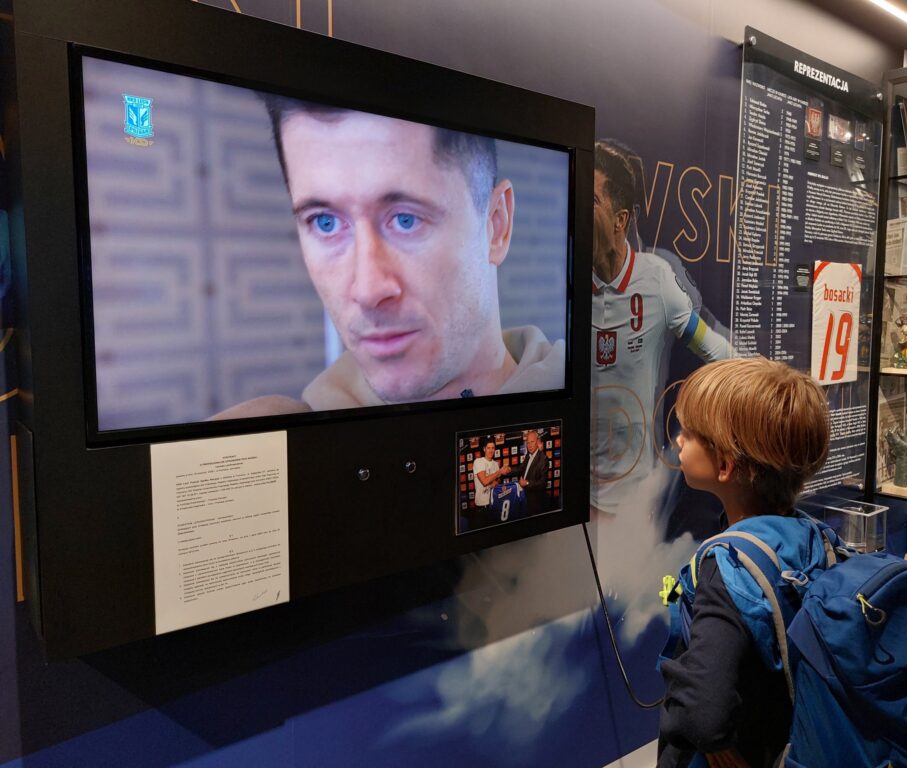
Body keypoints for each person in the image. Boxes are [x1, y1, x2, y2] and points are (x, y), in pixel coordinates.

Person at [213, 97, 563, 418]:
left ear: (496, 225)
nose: (367, 291)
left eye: (406, 220)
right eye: (325, 222)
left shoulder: (590, 419)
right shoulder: (270, 444)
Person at [657, 357, 830, 768]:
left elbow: (704, 715)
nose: (679, 440)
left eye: (689, 433)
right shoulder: (812, 537)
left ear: (724, 465)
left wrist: (712, 740)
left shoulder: (727, 568)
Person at [590, 139, 733, 516]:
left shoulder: (656, 280)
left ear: (620, 220)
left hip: (634, 500)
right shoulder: (564, 282)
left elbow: (715, 350)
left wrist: (758, 388)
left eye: (592, 202)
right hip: (575, 494)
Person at [518, 430, 548, 515]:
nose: (530, 445)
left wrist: (527, 483)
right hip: (524, 498)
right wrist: (508, 470)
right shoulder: (528, 455)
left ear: (537, 442)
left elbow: (543, 483)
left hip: (535, 503)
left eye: (532, 442)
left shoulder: (543, 459)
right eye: (528, 443)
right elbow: (521, 468)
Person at [473, 441, 510, 510]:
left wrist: (496, 482)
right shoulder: (478, 461)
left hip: (494, 502)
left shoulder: (495, 464)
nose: (491, 451)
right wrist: (499, 471)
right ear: (484, 449)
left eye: (493, 448)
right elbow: (484, 482)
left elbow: (498, 479)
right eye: (488, 448)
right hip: (482, 505)